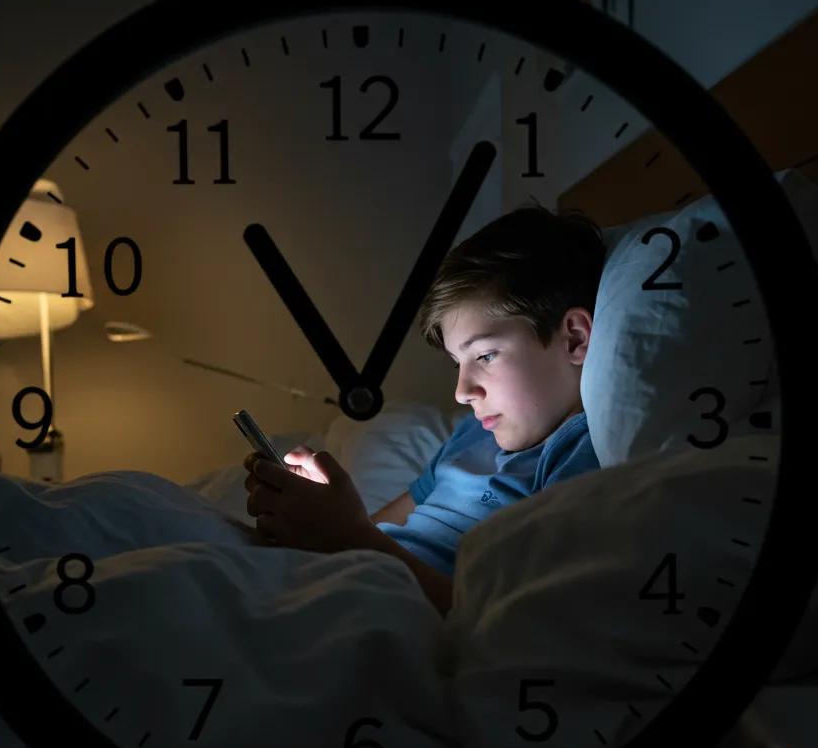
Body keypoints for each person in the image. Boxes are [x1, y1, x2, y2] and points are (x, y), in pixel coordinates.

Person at [241, 198, 606, 617]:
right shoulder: (472, 433)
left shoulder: (578, 457)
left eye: (485, 356)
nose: (461, 392)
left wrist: (348, 535)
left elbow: (514, 622)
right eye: (457, 363)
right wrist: (315, 519)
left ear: (575, 339)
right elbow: (379, 531)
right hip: (351, 579)